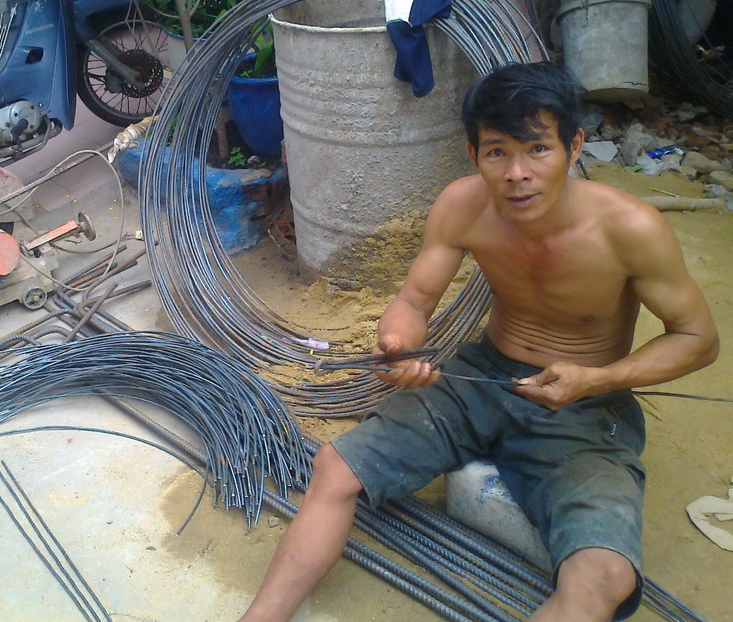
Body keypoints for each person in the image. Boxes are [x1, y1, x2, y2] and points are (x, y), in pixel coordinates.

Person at [240, 62, 719, 622]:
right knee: (334, 467)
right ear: (473, 155)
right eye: (497, 152)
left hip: (585, 408)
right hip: (482, 378)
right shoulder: (462, 205)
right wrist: (397, 345)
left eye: (537, 149)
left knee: (605, 576)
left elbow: (698, 338)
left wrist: (599, 379)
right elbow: (414, 302)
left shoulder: (630, 228)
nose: (517, 173)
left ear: (574, 146)